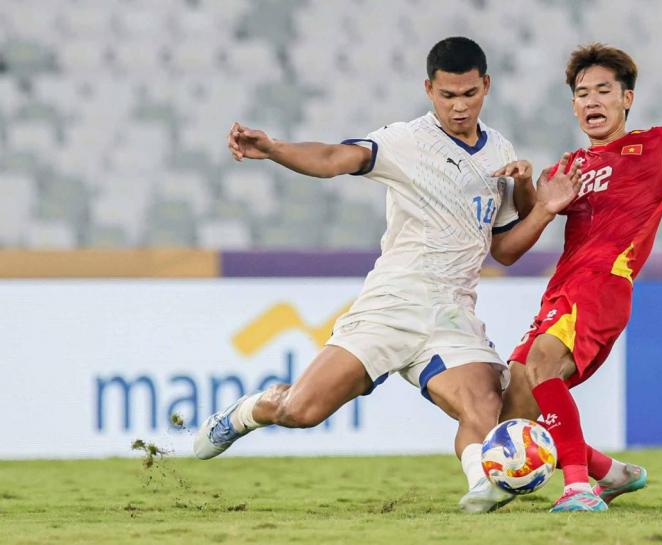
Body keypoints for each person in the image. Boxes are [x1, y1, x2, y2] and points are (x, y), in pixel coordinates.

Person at [193, 36, 582, 513]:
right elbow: (336, 158)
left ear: (486, 86)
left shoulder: (498, 149)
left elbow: (504, 250)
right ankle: (251, 410)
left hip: (452, 313)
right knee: (302, 411)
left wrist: (530, 194)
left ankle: (483, 484)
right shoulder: (405, 141)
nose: (459, 107)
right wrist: (274, 149)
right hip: (392, 304)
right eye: (447, 96)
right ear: (428, 90)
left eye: (468, 94)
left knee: (486, 409)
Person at [494, 43, 662, 512]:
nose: (592, 102)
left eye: (604, 90)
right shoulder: (568, 167)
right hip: (560, 289)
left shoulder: (660, 146)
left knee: (542, 362)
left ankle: (580, 489)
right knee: (516, 410)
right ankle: (611, 473)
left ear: (627, 99)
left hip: (602, 285)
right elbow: (532, 219)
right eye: (582, 94)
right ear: (573, 106)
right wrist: (527, 187)